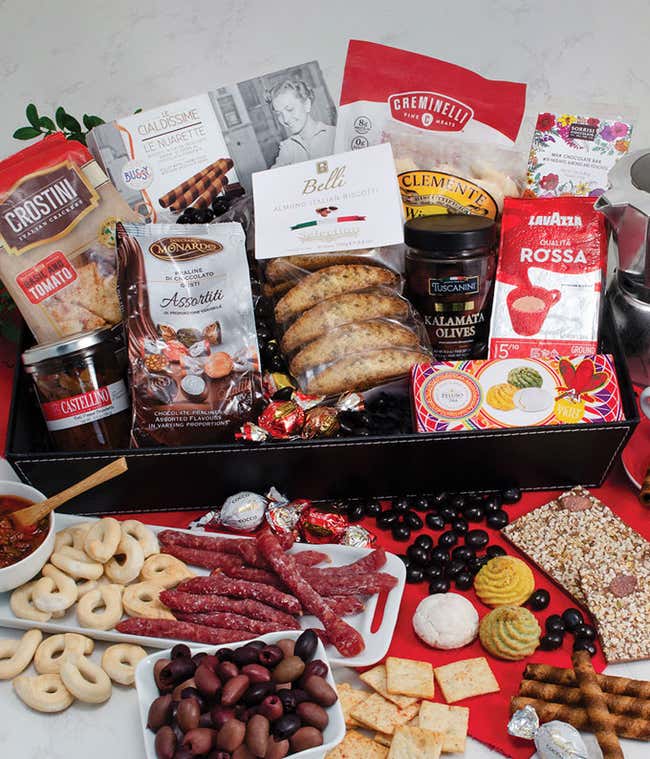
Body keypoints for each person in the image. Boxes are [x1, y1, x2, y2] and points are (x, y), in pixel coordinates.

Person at [267, 80, 335, 167]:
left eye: (290, 109)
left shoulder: (335, 135)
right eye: (279, 114)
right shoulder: (287, 148)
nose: (286, 119)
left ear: (307, 104)